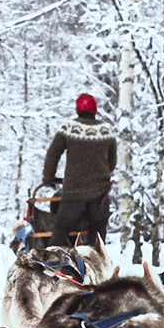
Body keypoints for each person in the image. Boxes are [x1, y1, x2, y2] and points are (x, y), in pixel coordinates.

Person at [41, 93, 117, 248]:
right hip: (100, 194)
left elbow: (52, 155)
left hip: (73, 192)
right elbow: (112, 161)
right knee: (97, 239)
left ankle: (50, 265)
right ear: (95, 110)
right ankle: (95, 268)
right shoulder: (106, 130)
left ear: (77, 110)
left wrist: (48, 179)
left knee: (60, 232)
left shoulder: (68, 128)